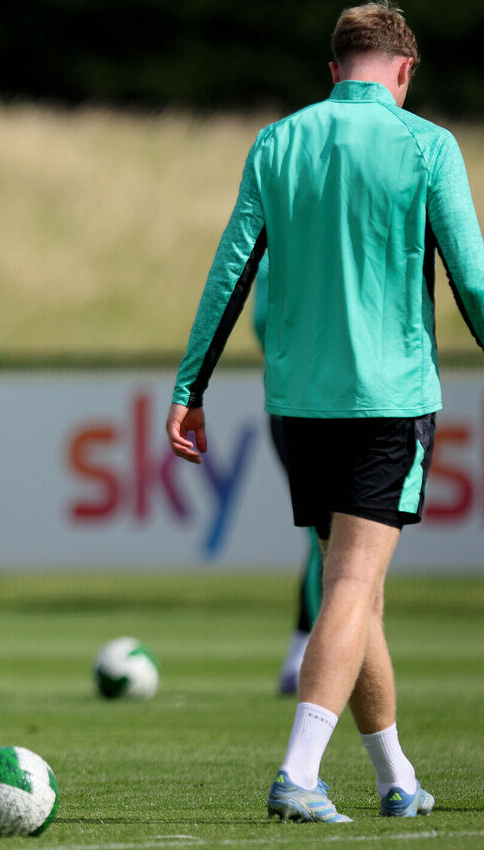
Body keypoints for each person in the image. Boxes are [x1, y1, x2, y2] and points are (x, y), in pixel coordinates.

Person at [166, 2, 484, 823]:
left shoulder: (278, 141)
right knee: (352, 583)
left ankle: (396, 778)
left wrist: (190, 387)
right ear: (405, 71)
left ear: (334, 69)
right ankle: (298, 772)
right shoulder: (428, 145)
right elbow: (473, 282)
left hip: (300, 405)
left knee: (354, 591)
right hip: (388, 401)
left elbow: (231, 269)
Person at [251, 258, 324, 697]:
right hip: (309, 402)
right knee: (329, 536)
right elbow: (263, 321)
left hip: (311, 400)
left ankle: (305, 654)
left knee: (334, 539)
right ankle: (317, 658)